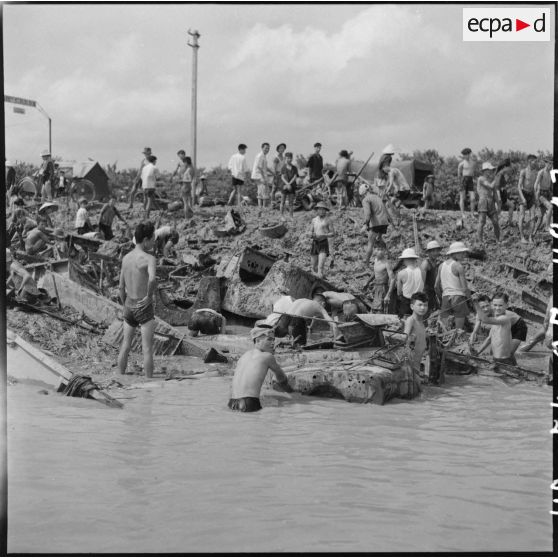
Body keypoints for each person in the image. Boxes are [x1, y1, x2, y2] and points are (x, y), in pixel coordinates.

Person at [118, 221, 157, 378]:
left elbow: (120, 286)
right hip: (143, 305)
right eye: (153, 238)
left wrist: (124, 305)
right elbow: (152, 279)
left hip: (129, 304)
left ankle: (119, 377)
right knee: (147, 348)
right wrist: (149, 297)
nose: (154, 241)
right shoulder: (149, 258)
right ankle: (149, 385)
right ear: (146, 239)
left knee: (125, 346)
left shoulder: (126, 258)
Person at [228, 325, 293, 413]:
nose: (273, 343)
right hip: (249, 403)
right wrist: (290, 391)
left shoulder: (243, 357)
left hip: (232, 403)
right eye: (269, 339)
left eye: (273, 340)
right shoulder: (267, 356)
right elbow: (282, 379)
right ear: (257, 341)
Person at [435, 241, 471, 330]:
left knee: (446, 330)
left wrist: (441, 297)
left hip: (445, 298)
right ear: (454, 254)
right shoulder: (458, 266)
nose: (464, 255)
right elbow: (464, 288)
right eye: (461, 253)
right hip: (458, 297)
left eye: (464, 252)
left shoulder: (441, 266)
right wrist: (470, 299)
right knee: (458, 330)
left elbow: (436, 286)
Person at [473, 292, 516, 365]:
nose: (497, 308)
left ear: (507, 305)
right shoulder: (496, 319)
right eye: (495, 305)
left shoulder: (504, 318)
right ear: (491, 304)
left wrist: (476, 303)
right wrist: (478, 352)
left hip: (503, 359)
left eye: (500, 305)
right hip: (501, 358)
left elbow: (485, 320)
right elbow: (489, 338)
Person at [360, 183, 390, 266]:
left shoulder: (366, 199)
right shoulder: (377, 197)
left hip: (376, 223)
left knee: (370, 243)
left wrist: (365, 224)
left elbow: (368, 213)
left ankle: (366, 263)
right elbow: (385, 210)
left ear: (363, 193)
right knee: (378, 238)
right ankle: (388, 255)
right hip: (384, 222)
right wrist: (391, 221)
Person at [393, 248, 424, 317]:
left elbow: (399, 292)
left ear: (405, 259)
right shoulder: (422, 271)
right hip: (419, 301)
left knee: (405, 322)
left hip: (407, 302)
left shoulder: (401, 273)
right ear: (414, 259)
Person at [404, 292, 428, 374]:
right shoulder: (411, 321)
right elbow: (404, 338)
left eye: (425, 305)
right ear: (412, 306)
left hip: (418, 362)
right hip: (410, 363)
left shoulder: (422, 323)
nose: (423, 308)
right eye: (420, 305)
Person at [476, 162, 500, 244]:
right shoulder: (481, 179)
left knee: (495, 221)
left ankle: (498, 240)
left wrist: (498, 204)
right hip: (483, 200)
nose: (491, 171)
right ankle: (480, 241)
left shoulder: (492, 180)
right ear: (484, 171)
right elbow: (490, 186)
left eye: (491, 170)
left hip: (491, 201)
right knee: (482, 221)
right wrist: (496, 179)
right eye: (489, 170)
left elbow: (495, 192)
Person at [517, 154, 538, 244]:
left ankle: (530, 237)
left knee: (533, 217)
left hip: (531, 195)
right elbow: (519, 186)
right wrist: (522, 198)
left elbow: (535, 187)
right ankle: (522, 237)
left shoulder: (536, 172)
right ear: (530, 161)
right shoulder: (524, 171)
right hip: (523, 194)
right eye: (534, 161)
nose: (536, 162)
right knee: (522, 216)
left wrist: (536, 198)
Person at [310, 201, 334, 278]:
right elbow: (310, 231)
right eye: (320, 209)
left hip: (323, 243)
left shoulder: (328, 220)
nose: (322, 211)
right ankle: (317, 279)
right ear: (317, 210)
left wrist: (324, 235)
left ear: (326, 210)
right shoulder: (314, 220)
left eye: (324, 209)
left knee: (320, 267)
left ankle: (320, 277)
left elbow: (333, 233)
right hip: (315, 243)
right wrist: (311, 234)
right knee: (313, 267)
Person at [532, 156, 553, 240]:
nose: (550, 165)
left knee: (540, 218)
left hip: (547, 194)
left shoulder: (550, 173)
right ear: (546, 163)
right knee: (550, 207)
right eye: (549, 163)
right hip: (541, 194)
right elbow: (535, 185)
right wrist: (535, 197)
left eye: (552, 164)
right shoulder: (541, 172)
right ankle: (547, 227)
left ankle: (532, 234)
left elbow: (550, 186)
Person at [420, 240, 442, 313]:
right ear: (428, 252)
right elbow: (421, 282)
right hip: (427, 293)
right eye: (433, 251)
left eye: (437, 251)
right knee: (427, 313)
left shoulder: (434, 262)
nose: (435, 253)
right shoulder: (425, 264)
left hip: (433, 292)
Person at [371, 243, 394, 312]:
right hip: (376, 287)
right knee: (374, 308)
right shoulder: (375, 260)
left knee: (381, 309)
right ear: (374, 250)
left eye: (382, 249)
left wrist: (388, 295)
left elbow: (393, 279)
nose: (380, 252)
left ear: (385, 251)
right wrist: (368, 282)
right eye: (378, 249)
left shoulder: (387, 263)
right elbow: (376, 272)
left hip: (383, 288)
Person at [252, 142, 272, 212]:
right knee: (263, 189)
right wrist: (263, 177)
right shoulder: (260, 155)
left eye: (268, 148)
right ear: (262, 148)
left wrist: (272, 173)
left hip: (260, 175)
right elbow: (259, 167)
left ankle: (261, 206)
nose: (267, 150)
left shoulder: (264, 156)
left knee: (261, 190)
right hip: (259, 175)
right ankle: (262, 207)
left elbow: (265, 167)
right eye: (266, 148)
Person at [457, 147, 476, 221]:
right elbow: (459, 175)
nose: (467, 156)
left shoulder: (473, 162)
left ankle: (472, 214)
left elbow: (473, 172)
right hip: (463, 179)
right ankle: (462, 213)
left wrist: (473, 179)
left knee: (473, 198)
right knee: (462, 197)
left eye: (468, 154)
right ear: (464, 155)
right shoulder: (461, 164)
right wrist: (460, 183)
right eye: (465, 155)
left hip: (470, 179)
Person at [141, 155, 160, 219]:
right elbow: (158, 177)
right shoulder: (154, 167)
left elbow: (142, 177)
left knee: (147, 200)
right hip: (151, 187)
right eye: (155, 161)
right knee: (149, 202)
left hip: (144, 186)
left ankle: (159, 211)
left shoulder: (144, 168)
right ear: (154, 161)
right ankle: (147, 216)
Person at [280, 151, 298, 216]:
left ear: (292, 158)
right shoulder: (283, 167)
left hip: (292, 186)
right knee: (282, 202)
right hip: (284, 186)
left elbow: (295, 177)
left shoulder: (294, 168)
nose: (289, 159)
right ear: (285, 158)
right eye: (287, 158)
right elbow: (282, 177)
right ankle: (281, 216)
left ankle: (291, 217)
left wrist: (289, 184)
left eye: (290, 158)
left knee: (291, 203)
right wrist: (287, 184)